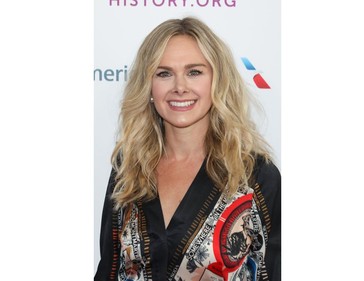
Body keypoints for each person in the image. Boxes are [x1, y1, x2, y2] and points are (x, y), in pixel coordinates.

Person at [94, 17, 281, 281]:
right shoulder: (128, 168)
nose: (180, 87)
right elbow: (108, 271)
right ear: (148, 87)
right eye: (164, 73)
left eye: (194, 72)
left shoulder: (255, 175)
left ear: (217, 81)